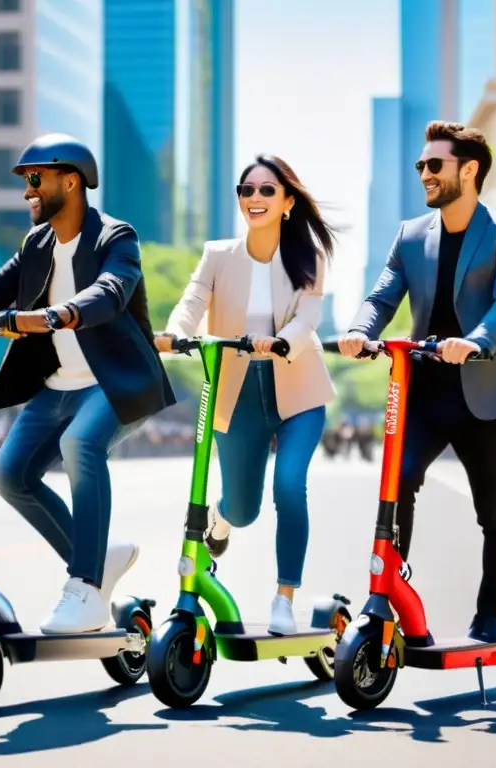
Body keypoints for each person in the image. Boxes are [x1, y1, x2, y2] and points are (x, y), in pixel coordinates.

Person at [0, 133, 176, 634]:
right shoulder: (37, 243)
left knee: (80, 444)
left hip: (112, 384)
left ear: (70, 181)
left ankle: (86, 588)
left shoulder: (115, 237)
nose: (28, 191)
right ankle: (98, 558)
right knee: (11, 475)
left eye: (35, 180)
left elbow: (110, 293)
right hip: (57, 386)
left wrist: (53, 316)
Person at [336, 121, 496, 644]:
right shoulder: (410, 235)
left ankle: (490, 612)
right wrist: (362, 331)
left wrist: (474, 341)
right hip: (424, 389)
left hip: (485, 389)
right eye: (420, 166)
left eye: (434, 165)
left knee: (494, 508)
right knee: (397, 483)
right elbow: (383, 296)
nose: (424, 174)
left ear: (468, 171)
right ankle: (389, 595)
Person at [155, 154, 337, 635]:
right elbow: (192, 301)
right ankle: (220, 519)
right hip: (236, 394)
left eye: (266, 191)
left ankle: (284, 598)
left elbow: (308, 319)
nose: (254, 198)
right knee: (244, 508)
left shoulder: (307, 257)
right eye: (247, 190)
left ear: (287, 202)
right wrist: (177, 334)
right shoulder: (219, 255)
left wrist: (280, 342)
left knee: (289, 486)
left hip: (297, 390)